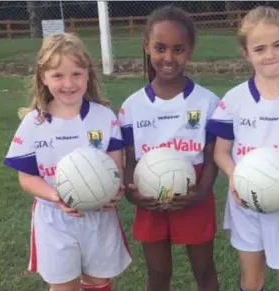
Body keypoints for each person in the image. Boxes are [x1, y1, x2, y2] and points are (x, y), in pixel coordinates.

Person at [3, 33, 131, 291]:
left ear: (87, 74)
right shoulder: (33, 123)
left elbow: (115, 167)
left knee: (98, 281)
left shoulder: (104, 117)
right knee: (63, 286)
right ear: (43, 77)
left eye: (76, 74)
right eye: (58, 75)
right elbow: (26, 177)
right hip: (54, 219)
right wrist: (55, 196)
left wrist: (115, 190)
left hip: (99, 216)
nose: (68, 83)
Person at [206, 6, 279, 291]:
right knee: (252, 279)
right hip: (244, 202)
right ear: (246, 53)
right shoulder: (234, 100)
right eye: (260, 48)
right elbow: (221, 152)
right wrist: (235, 176)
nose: (270, 55)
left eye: (278, 45)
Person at [118, 6, 220, 291]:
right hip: (149, 191)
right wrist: (132, 191)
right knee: (158, 274)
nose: (168, 58)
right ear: (147, 46)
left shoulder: (208, 102)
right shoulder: (132, 107)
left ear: (190, 50)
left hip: (193, 190)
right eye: (160, 48)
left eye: (178, 49)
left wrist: (201, 191)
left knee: (205, 270)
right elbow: (129, 159)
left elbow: (212, 157)